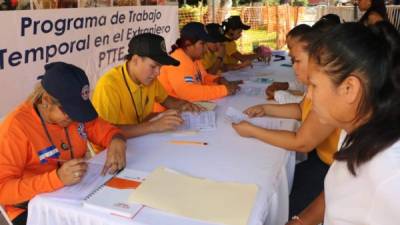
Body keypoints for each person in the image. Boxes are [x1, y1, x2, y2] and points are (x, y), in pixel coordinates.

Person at [286, 21, 400, 225]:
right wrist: (300, 221)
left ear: (349, 88)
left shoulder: (390, 177)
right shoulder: (354, 130)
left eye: (314, 85)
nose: (309, 96)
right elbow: (338, 189)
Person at [232, 28, 341, 218]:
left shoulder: (328, 92)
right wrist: (266, 109)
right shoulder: (315, 86)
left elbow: (302, 142)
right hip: (321, 161)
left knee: (273, 205)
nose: (294, 68)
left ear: (317, 59)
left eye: (297, 61)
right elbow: (301, 109)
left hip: (331, 171)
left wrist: (252, 131)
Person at [0, 62, 126, 225]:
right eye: (68, 111)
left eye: (78, 110)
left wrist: (117, 139)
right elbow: (2, 190)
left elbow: (104, 129)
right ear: (45, 100)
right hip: (31, 207)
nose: (74, 117)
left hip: (76, 196)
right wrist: (56, 179)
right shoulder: (15, 129)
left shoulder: (74, 115)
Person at [92, 33, 203, 138]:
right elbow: (104, 131)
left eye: (160, 67)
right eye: (153, 66)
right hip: (112, 150)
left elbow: (166, 100)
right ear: (135, 60)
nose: (157, 73)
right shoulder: (108, 86)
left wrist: (183, 105)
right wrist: (153, 126)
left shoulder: (149, 79)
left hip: (142, 139)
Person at [158, 22, 241, 103]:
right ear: (188, 44)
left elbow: (203, 78)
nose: (205, 49)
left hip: (183, 108)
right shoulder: (177, 60)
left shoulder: (194, 59)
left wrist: (218, 80)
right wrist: (224, 90)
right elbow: (187, 92)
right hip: (164, 113)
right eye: (202, 44)